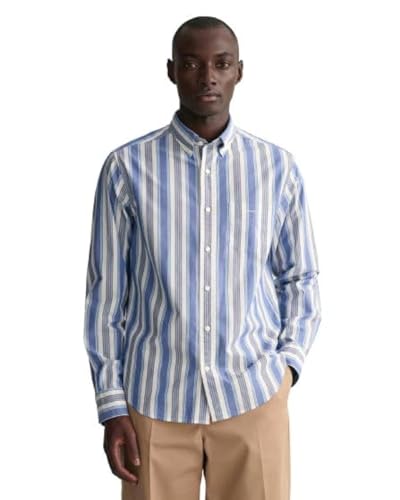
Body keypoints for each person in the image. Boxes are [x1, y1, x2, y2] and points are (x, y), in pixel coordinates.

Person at [83, 15, 322, 500]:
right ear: (171, 71)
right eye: (192, 64)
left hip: (253, 396)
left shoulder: (277, 169)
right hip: (154, 402)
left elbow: (300, 277)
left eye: (221, 64)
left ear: (239, 72)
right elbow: (105, 295)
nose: (207, 77)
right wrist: (112, 405)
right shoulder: (126, 169)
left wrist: (287, 368)